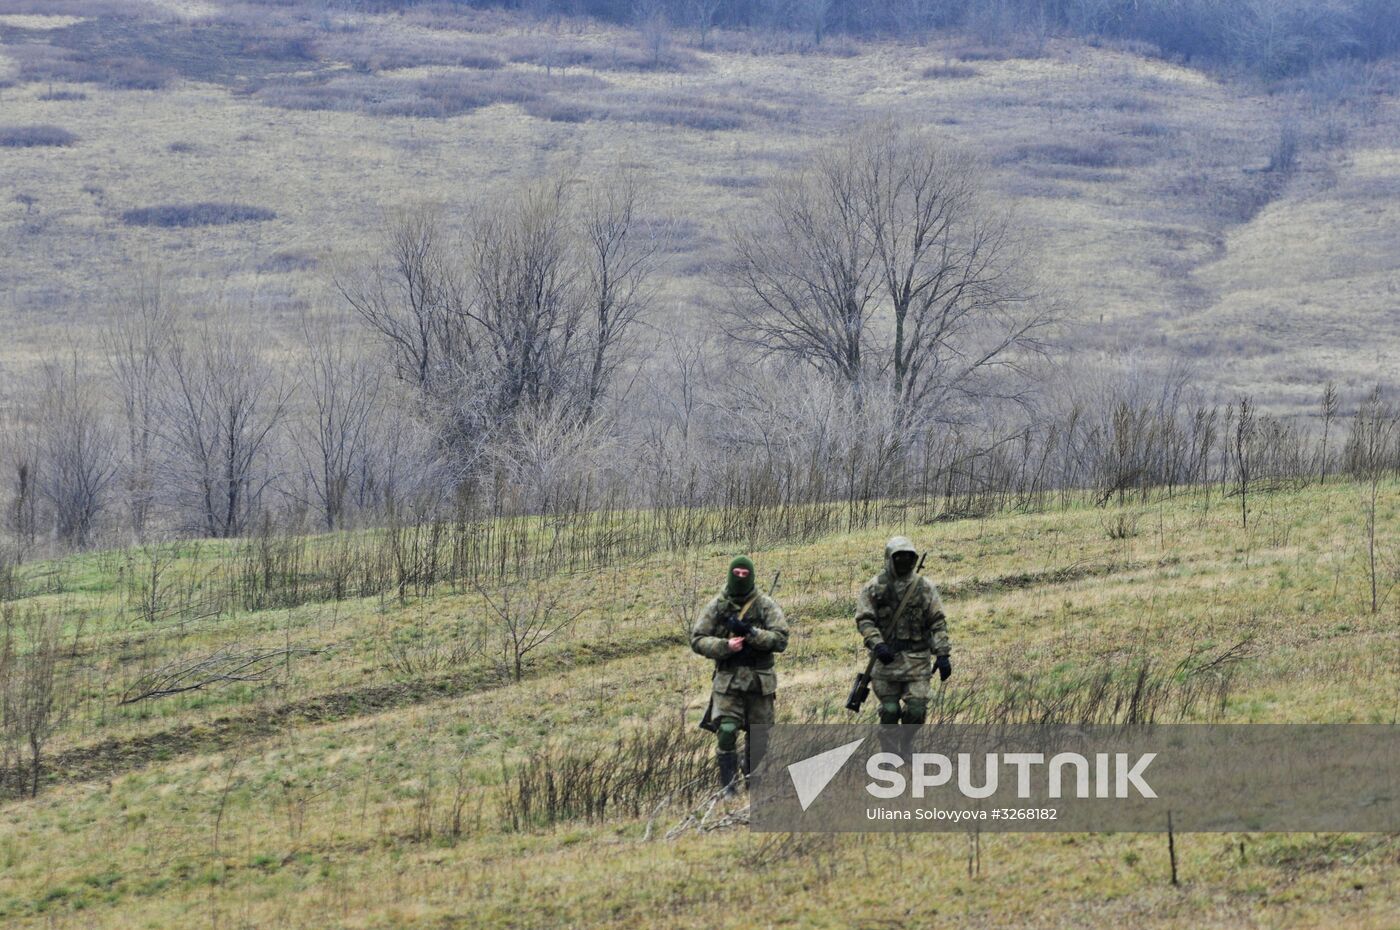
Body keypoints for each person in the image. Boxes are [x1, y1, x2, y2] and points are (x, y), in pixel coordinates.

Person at [690, 555, 789, 793]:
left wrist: (752, 633)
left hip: (759, 681)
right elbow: (698, 639)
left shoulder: (765, 604)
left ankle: (752, 778)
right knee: (726, 731)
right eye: (737, 574)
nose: (741, 578)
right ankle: (728, 788)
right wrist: (725, 646)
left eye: (746, 574)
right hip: (728, 681)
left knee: (759, 739)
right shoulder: (717, 605)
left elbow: (781, 639)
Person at [854, 536, 952, 730]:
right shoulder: (875, 587)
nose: (903, 561)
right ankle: (890, 751)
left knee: (916, 710)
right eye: (898, 557)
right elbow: (864, 619)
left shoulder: (924, 588)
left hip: (917, 661)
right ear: (889, 558)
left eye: (907, 557)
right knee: (889, 711)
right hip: (886, 663)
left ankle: (906, 745)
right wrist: (877, 644)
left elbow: (937, 622)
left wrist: (943, 654)